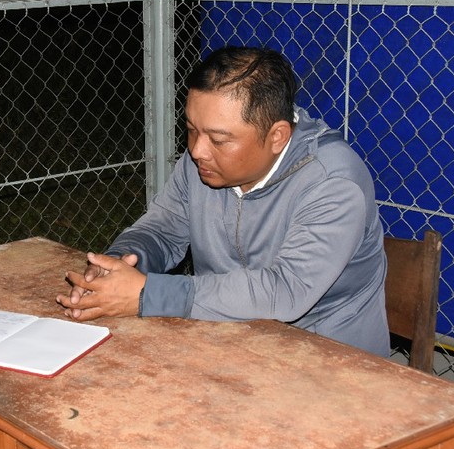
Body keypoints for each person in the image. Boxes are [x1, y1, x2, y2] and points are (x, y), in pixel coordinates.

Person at [57, 45, 389, 357]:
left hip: (330, 363)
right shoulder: (205, 162)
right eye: (191, 129)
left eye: (218, 139)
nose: (197, 150)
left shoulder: (333, 182)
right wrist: (116, 268)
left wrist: (149, 294)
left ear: (277, 137)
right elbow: (162, 229)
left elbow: (286, 290)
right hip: (227, 344)